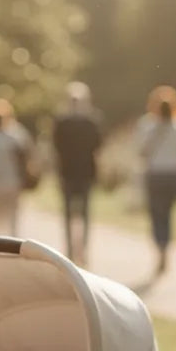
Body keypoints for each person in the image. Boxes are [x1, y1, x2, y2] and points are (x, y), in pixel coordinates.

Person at [135, 85, 176, 275]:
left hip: (155, 175)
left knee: (156, 214)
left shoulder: (148, 126)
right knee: (167, 215)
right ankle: (165, 249)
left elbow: (141, 153)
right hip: (172, 175)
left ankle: (160, 248)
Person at [51, 81, 102, 265]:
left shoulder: (87, 122)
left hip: (80, 172)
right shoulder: (85, 122)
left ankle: (80, 250)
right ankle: (72, 250)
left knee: (81, 214)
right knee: (73, 214)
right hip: (71, 172)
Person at [0, 97, 35, 236]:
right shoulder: (16, 135)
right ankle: (14, 243)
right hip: (13, 182)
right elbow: (29, 153)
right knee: (13, 218)